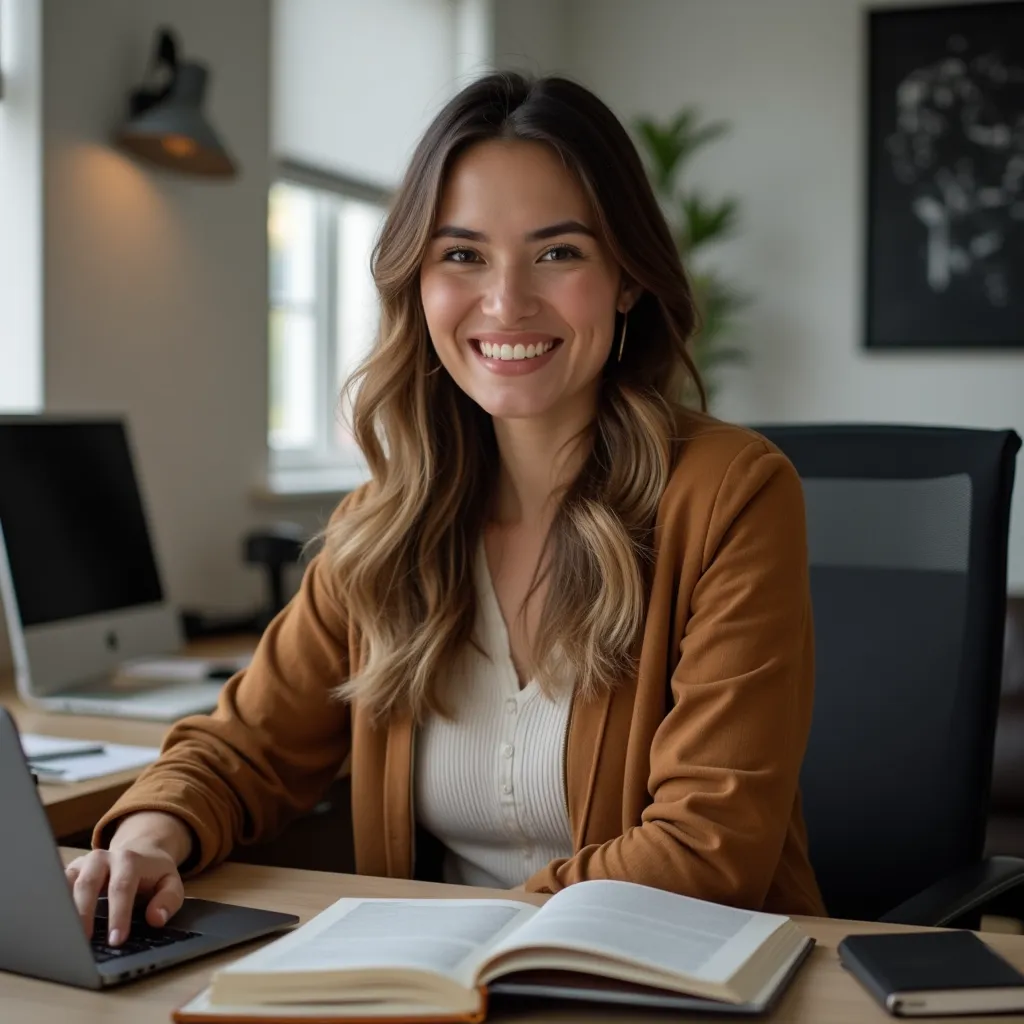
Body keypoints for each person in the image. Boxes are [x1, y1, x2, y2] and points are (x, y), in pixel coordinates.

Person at [66, 72, 826, 948]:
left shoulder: (733, 495)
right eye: (461, 254)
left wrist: (463, 937)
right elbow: (247, 748)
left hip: (668, 984)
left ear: (627, 279)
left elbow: (707, 848)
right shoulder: (383, 527)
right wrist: (155, 831)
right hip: (437, 991)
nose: (506, 302)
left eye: (559, 252)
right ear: (418, 282)